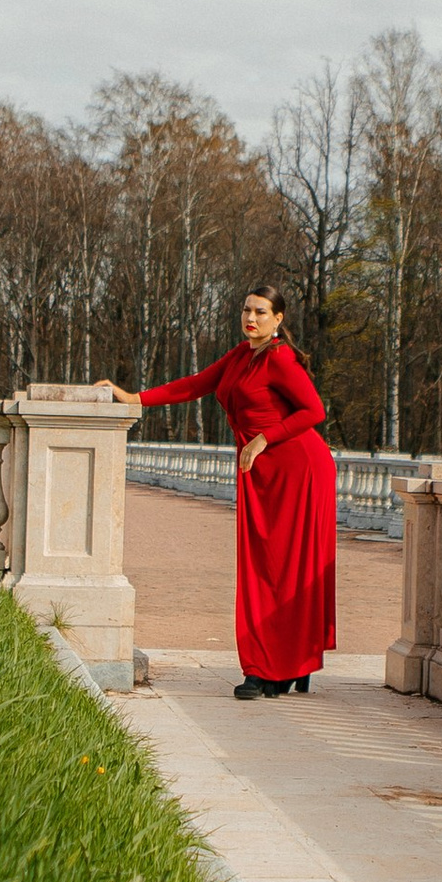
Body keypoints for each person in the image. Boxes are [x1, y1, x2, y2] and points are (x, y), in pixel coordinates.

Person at [117, 288, 338, 699]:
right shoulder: (240, 356)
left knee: (286, 569)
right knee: (263, 569)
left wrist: (263, 440)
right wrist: (137, 398)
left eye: (261, 312)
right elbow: (195, 384)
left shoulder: (281, 359)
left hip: (298, 468)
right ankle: (272, 664)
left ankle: (277, 667)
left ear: (278, 319)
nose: (250, 317)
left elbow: (314, 412)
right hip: (262, 472)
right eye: (246, 310)